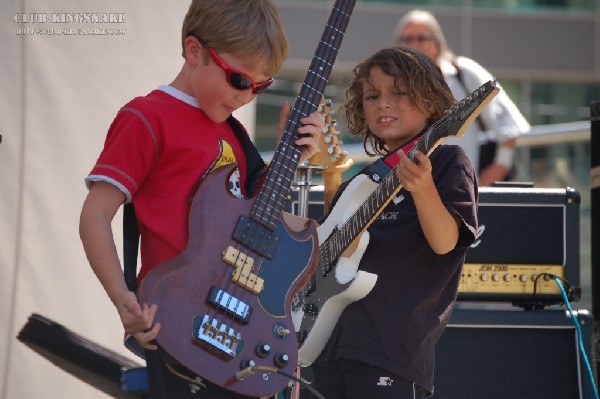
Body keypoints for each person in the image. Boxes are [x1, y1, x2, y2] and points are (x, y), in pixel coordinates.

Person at [78, 1, 324, 398]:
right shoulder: (147, 117)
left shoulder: (233, 133)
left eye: (261, 87)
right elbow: (95, 216)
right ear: (195, 52)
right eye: (239, 81)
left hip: (238, 331)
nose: (247, 97)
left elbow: (253, 227)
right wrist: (123, 299)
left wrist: (287, 160)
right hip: (174, 321)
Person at [305, 47, 478, 399]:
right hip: (326, 347)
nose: (383, 103)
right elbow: (326, 249)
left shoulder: (446, 160)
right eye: (372, 95)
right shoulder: (362, 182)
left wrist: (424, 188)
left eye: (399, 92)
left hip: (390, 351)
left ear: (431, 102)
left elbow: (446, 243)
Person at [394, 9, 530, 186]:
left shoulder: (463, 73)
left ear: (437, 42)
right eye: (408, 39)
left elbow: (508, 126)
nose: (415, 45)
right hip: (411, 191)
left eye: (422, 38)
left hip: (463, 188)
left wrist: (490, 178)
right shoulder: (393, 84)